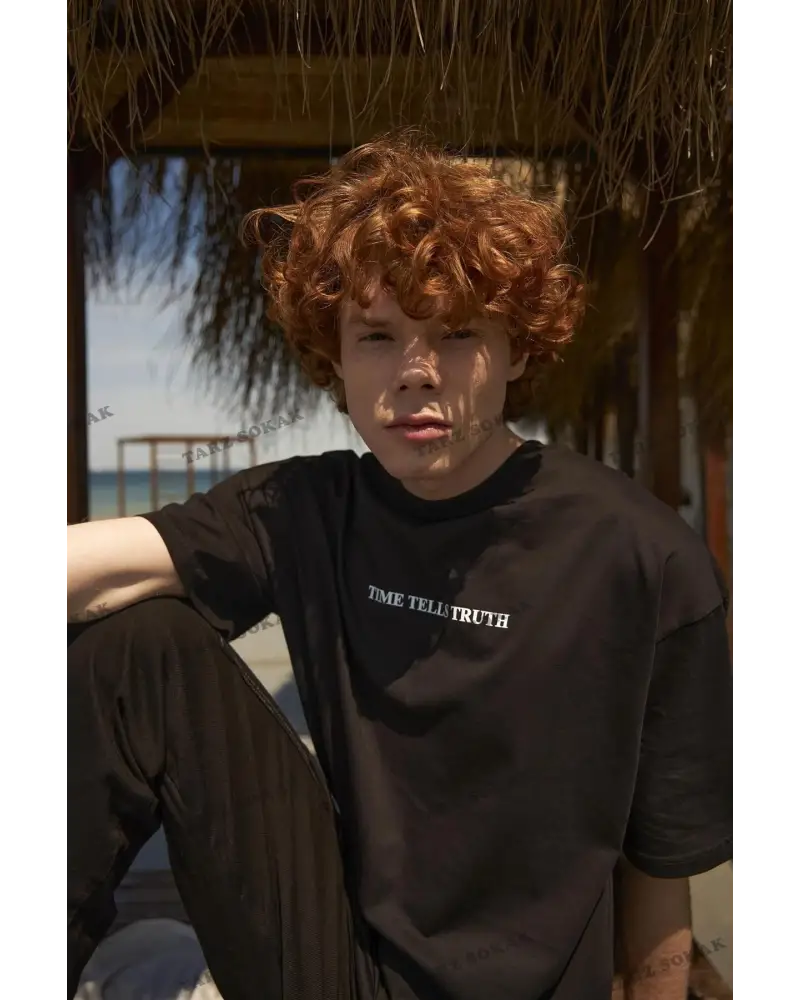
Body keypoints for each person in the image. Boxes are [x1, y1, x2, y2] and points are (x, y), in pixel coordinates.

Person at [65, 133, 735, 1000]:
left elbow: (661, 863)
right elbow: (88, 566)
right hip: (338, 971)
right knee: (139, 648)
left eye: (456, 333)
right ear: (336, 358)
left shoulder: (644, 558)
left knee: (149, 954)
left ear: (518, 348)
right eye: (377, 336)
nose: (416, 373)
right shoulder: (312, 509)